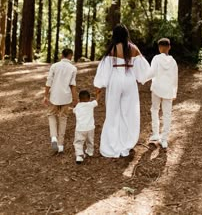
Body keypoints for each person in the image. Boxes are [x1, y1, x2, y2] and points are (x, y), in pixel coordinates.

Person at [94, 23, 151, 158]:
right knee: (129, 112)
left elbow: (104, 69)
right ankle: (127, 141)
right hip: (129, 80)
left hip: (115, 80)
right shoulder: (133, 48)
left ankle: (112, 143)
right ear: (126, 34)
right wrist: (143, 77)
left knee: (113, 112)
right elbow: (143, 69)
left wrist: (99, 85)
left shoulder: (112, 49)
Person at [43, 48, 77, 153]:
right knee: (63, 118)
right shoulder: (73, 68)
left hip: (54, 96)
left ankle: (53, 137)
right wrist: (76, 99)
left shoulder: (54, 66)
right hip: (66, 97)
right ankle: (61, 145)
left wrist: (45, 95)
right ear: (70, 56)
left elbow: (49, 81)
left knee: (51, 115)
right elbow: (72, 86)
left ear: (62, 55)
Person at [149, 38, 178, 149]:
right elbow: (175, 78)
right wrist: (174, 92)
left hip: (157, 88)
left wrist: (142, 79)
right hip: (168, 90)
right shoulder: (173, 61)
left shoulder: (156, 58)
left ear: (159, 48)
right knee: (167, 113)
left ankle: (156, 133)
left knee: (155, 109)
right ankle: (164, 139)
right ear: (169, 47)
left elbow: (152, 72)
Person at [73, 89, 101, 164]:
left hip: (80, 129)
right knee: (90, 140)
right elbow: (97, 100)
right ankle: (90, 152)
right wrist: (98, 93)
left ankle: (79, 156)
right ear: (89, 99)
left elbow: (74, 111)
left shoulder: (78, 106)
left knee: (79, 142)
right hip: (90, 128)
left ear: (79, 99)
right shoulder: (90, 104)